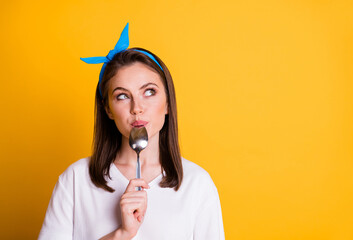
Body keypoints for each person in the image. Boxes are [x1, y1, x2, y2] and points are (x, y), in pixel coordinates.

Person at [38, 23, 225, 240]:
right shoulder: (75, 180)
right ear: (108, 109)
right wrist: (121, 234)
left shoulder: (197, 184)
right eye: (122, 96)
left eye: (149, 91)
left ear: (168, 103)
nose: (137, 107)